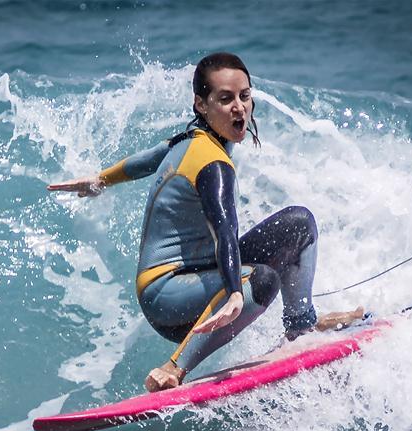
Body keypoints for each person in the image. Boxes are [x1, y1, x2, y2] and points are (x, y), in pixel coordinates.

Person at [48, 52, 363, 392]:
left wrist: (99, 180)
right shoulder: (213, 165)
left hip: (200, 272)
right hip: (166, 296)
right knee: (261, 281)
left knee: (298, 224)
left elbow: (147, 160)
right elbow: (224, 231)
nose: (239, 108)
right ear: (201, 104)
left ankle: (302, 326)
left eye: (245, 96)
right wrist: (234, 292)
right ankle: (173, 368)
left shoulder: (188, 140)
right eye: (225, 99)